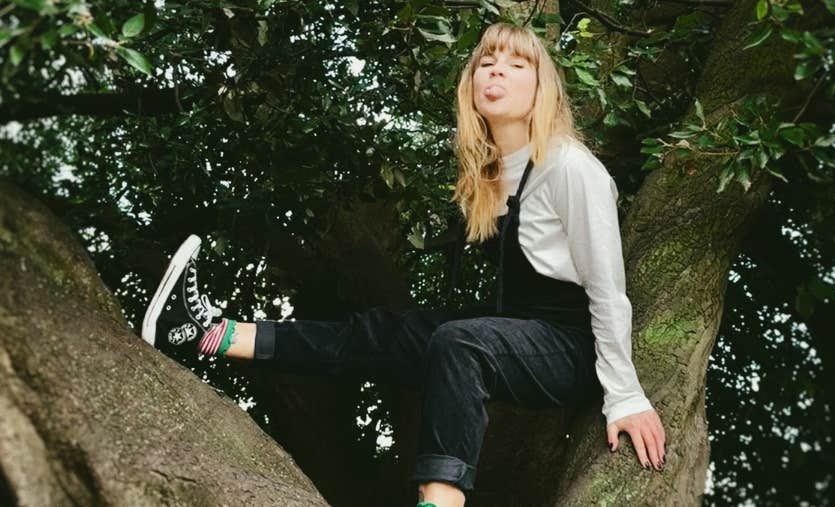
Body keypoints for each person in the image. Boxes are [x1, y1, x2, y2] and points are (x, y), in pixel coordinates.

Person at [140, 22, 666, 507]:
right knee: (382, 332)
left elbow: (606, 290)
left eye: (516, 63)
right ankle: (207, 333)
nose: (497, 70)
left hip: (570, 346)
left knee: (461, 342)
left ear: (541, 88)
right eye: (487, 62)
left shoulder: (571, 167)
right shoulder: (488, 174)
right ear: (472, 84)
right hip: (518, 326)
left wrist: (626, 397)